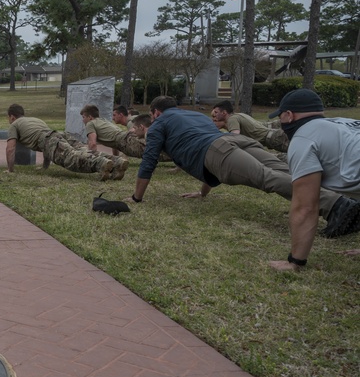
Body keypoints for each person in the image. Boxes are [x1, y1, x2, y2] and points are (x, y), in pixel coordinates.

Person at [127, 95, 360, 238]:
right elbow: (204, 152)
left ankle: (337, 206)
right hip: (235, 141)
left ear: (155, 112)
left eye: (152, 115)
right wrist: (202, 191)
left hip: (218, 150)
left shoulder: (158, 125)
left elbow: (150, 161)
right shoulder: (194, 116)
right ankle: (346, 197)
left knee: (267, 178)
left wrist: (137, 198)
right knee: (286, 170)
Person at [264, 89, 360, 271]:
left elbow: (306, 206)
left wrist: (295, 261)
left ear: (289, 115)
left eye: (281, 116)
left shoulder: (303, 139)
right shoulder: (344, 123)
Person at [6, 104, 127, 180]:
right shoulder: (35, 120)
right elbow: (47, 145)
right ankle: (117, 161)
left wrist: (10, 169)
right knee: (83, 150)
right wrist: (45, 167)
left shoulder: (14, 124)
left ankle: (100, 164)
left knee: (71, 159)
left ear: (12, 117)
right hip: (59, 134)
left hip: (49, 139)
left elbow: (10, 148)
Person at [211, 100, 288, 153]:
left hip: (275, 138)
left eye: (216, 112)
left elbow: (234, 137)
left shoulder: (232, 119)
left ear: (224, 112)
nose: (214, 116)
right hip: (274, 135)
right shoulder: (238, 115)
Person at [80, 104, 146, 158]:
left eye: (83, 117)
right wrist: (116, 158)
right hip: (125, 137)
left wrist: (90, 159)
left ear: (89, 117)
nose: (83, 120)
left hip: (124, 141)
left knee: (148, 152)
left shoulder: (90, 123)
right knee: (149, 147)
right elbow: (114, 142)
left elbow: (92, 144)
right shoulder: (103, 120)